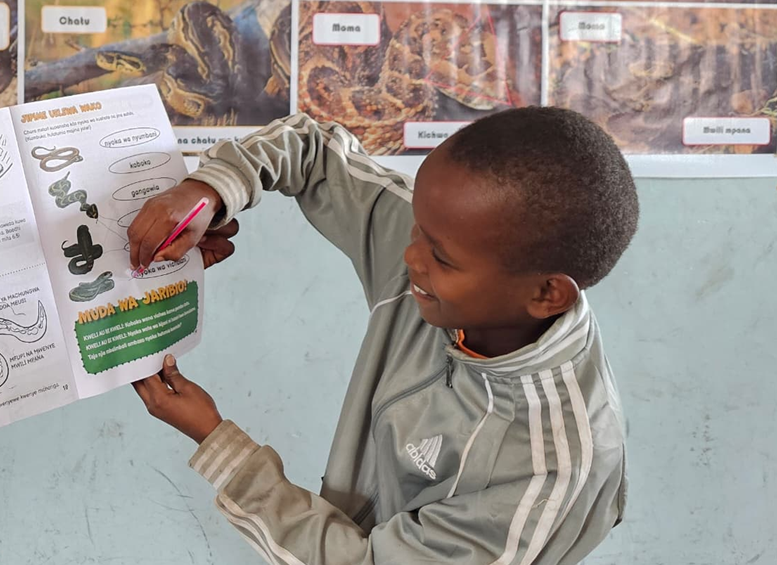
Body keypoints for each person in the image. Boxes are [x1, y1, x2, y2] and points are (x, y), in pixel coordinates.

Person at [126, 108, 636, 564]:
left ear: (547, 295)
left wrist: (219, 444)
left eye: (440, 256)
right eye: (417, 228)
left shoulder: (548, 469)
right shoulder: (453, 250)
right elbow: (311, 148)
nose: (411, 256)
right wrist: (212, 191)